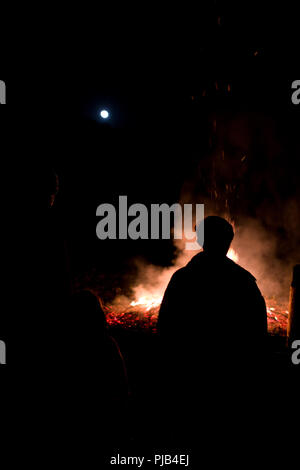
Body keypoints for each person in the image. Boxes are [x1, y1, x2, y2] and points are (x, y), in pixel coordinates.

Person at [157, 216, 268, 446]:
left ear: (200, 240)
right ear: (228, 241)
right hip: (231, 385)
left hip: (188, 382)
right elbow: (257, 334)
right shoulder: (244, 282)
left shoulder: (183, 279)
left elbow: (166, 328)